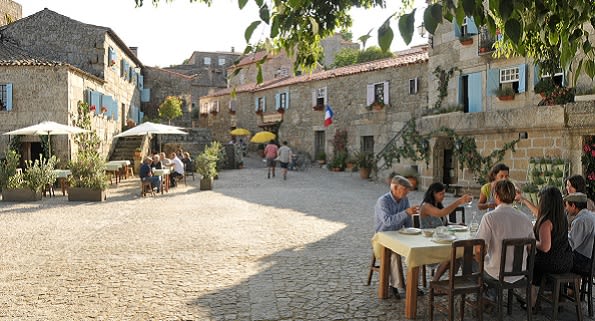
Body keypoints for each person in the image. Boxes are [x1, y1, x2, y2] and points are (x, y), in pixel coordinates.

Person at [474, 180, 535, 301]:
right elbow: (531, 248)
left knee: (471, 262)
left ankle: (487, 295)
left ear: (495, 196)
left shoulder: (489, 218)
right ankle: (490, 294)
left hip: (496, 274)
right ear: (513, 196)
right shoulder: (525, 218)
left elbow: (479, 249)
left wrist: (480, 260)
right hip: (520, 273)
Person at [523, 186, 573, 311]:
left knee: (530, 262)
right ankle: (553, 295)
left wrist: (531, 242)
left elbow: (545, 247)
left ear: (546, 203)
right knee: (535, 261)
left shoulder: (546, 223)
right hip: (566, 261)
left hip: (553, 263)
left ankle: (532, 302)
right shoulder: (562, 218)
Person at [374, 175, 421, 299]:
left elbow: (407, 222)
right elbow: (387, 221)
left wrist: (413, 232)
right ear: (395, 187)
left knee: (417, 251)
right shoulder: (383, 201)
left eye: (408, 190)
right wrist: (406, 212)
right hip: (382, 238)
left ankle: (413, 285)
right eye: (405, 189)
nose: (407, 193)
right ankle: (395, 286)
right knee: (394, 254)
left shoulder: (404, 199)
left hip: (400, 236)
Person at [419, 182, 472, 281]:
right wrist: (459, 201)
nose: (443, 196)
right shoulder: (426, 206)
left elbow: (445, 224)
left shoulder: (438, 204)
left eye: (444, 193)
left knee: (458, 253)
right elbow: (441, 213)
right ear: (433, 193)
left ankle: (449, 282)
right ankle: (435, 282)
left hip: (441, 240)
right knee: (452, 255)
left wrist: (457, 225)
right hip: (429, 243)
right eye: (441, 194)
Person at [565, 192, 595, 276]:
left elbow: (570, 245)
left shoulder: (580, 221)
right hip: (591, 261)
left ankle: (560, 288)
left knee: (558, 259)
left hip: (585, 264)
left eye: (567, 206)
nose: (566, 209)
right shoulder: (592, 215)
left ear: (573, 206)